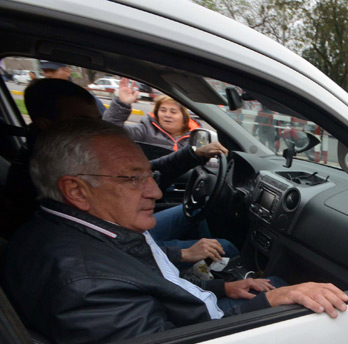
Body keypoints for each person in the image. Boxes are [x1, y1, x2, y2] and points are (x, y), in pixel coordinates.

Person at [2, 119, 348, 344]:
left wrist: (223, 287)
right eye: (134, 178)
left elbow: (153, 282)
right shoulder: (88, 287)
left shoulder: (67, 231)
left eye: (149, 174)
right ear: (77, 191)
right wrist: (266, 303)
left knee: (269, 281)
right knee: (288, 292)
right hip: (208, 335)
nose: (154, 190)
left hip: (199, 312)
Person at [1, 79, 231, 265]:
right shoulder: (42, 178)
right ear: (46, 125)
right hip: (127, 248)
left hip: (128, 240)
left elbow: (151, 171)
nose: (97, 128)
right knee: (224, 246)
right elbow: (105, 251)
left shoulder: (67, 154)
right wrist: (182, 255)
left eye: (97, 120)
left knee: (194, 213)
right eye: (82, 122)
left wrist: (193, 154)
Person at [103, 77, 198, 151]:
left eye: (173, 112)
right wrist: (122, 103)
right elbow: (110, 130)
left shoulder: (196, 136)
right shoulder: (145, 130)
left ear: (184, 117)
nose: (167, 115)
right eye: (163, 110)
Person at [39, 60, 105, 115]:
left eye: (52, 71)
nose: (48, 75)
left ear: (67, 71)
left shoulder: (86, 99)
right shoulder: (44, 100)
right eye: (45, 71)